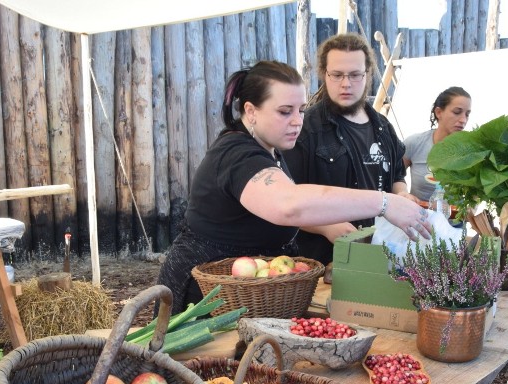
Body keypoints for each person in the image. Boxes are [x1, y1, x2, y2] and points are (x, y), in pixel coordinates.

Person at [156, 60, 431, 314]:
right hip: (203, 300)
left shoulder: (269, 150)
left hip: (248, 292)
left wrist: (326, 225)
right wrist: (384, 203)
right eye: (285, 112)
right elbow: (289, 204)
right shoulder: (237, 154)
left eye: (300, 110)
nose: (298, 121)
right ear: (250, 111)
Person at [283, 33, 417, 266]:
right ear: (324, 74)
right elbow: (283, 202)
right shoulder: (305, 129)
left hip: (378, 255)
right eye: (337, 75)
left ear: (367, 75)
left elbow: (396, 175)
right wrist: (326, 227)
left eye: (355, 75)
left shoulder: (383, 127)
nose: (346, 83)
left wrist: (402, 195)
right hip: (322, 262)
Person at [403, 86, 472, 202]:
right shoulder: (415, 143)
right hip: (417, 217)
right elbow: (393, 177)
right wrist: (404, 194)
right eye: (457, 112)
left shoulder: (472, 152)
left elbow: (477, 192)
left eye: (467, 114)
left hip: (453, 219)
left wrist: (472, 208)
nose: (463, 120)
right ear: (439, 112)